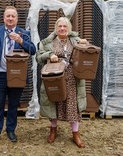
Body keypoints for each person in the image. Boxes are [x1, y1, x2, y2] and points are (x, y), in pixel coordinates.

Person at [0, 6, 36, 147]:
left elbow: (33, 50)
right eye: (8, 16)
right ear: (4, 18)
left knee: (13, 105)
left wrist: (21, 41)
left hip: (17, 75)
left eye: (13, 16)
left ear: (17, 19)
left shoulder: (23, 33)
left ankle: (10, 130)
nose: (10, 18)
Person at [36, 16, 88, 148]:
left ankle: (75, 133)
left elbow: (86, 52)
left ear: (69, 28)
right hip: (54, 77)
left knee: (73, 106)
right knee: (54, 102)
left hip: (72, 78)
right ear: (56, 28)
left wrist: (84, 44)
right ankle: (53, 130)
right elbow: (38, 57)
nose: (62, 28)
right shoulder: (48, 42)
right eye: (60, 26)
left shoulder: (75, 40)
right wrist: (49, 55)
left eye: (65, 26)